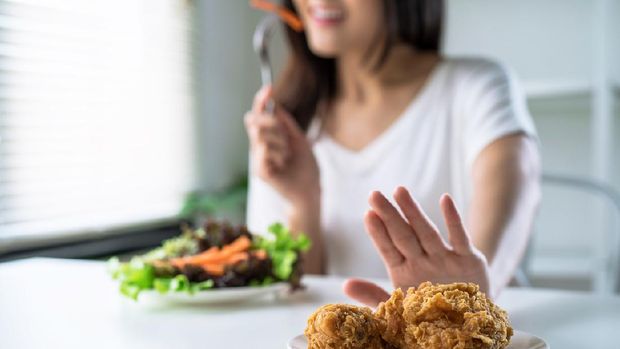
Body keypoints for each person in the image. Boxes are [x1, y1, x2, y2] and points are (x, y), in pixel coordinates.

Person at [244, 0, 540, 307]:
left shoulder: (478, 86)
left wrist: (470, 297)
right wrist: (303, 200)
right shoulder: (287, 124)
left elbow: (519, 187)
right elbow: (295, 302)